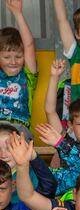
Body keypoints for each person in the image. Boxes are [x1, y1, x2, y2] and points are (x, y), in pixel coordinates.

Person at [0, 0, 37, 134]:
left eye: (18, 56)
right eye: (6, 57)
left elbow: (28, 45)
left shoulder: (27, 76)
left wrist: (18, 14)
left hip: (19, 129)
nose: (13, 61)